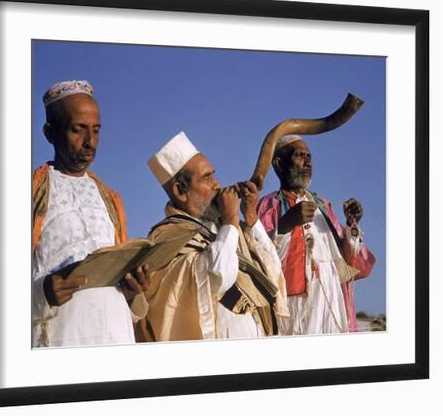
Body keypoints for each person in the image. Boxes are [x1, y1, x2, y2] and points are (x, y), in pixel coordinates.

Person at [137, 132, 288, 342]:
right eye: (206, 178)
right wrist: (230, 220)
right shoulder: (167, 238)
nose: (217, 184)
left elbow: (273, 270)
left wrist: (251, 216)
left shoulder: (226, 229)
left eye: (213, 175)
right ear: (181, 191)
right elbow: (217, 277)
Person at [32, 80, 149, 347]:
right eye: (78, 130)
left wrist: (133, 290)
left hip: (116, 334)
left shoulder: (111, 198)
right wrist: (42, 293)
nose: (90, 142)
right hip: (63, 337)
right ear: (50, 133)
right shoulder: (29, 192)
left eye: (96, 131)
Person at [257, 135, 375, 335]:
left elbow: (349, 262)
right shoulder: (269, 206)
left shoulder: (323, 206)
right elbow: (259, 259)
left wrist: (350, 225)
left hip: (332, 296)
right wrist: (286, 224)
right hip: (297, 303)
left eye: (309, 156)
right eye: (299, 155)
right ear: (278, 164)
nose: (307, 161)